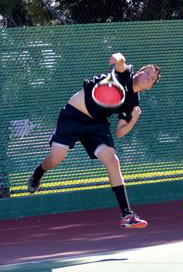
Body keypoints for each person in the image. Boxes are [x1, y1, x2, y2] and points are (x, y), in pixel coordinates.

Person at [27, 53, 160, 229]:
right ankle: (38, 172)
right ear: (139, 71)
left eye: (151, 78)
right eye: (146, 72)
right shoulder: (126, 73)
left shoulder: (133, 102)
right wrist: (117, 58)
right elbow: (120, 62)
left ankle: (127, 215)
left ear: (150, 86)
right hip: (73, 116)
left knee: (112, 160)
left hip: (96, 125)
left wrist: (133, 119)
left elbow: (120, 132)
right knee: (55, 159)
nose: (147, 76)